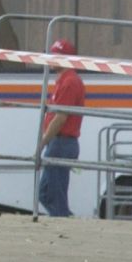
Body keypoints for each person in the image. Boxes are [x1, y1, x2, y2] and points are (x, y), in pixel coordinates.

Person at [35, 37, 83, 218]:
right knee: (48, 193)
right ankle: (64, 219)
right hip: (59, 142)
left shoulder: (69, 82)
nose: (52, 60)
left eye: (57, 56)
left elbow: (60, 117)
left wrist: (42, 142)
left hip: (61, 143)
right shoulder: (65, 80)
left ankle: (64, 223)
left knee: (53, 194)